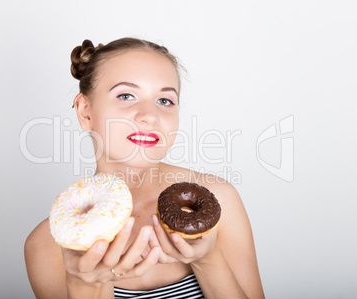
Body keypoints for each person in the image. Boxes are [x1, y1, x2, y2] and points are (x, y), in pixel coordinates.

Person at [24, 37, 265, 299]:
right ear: (85, 112)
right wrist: (86, 286)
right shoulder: (49, 244)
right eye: (126, 96)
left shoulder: (219, 200)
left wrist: (208, 259)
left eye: (164, 100)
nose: (150, 115)